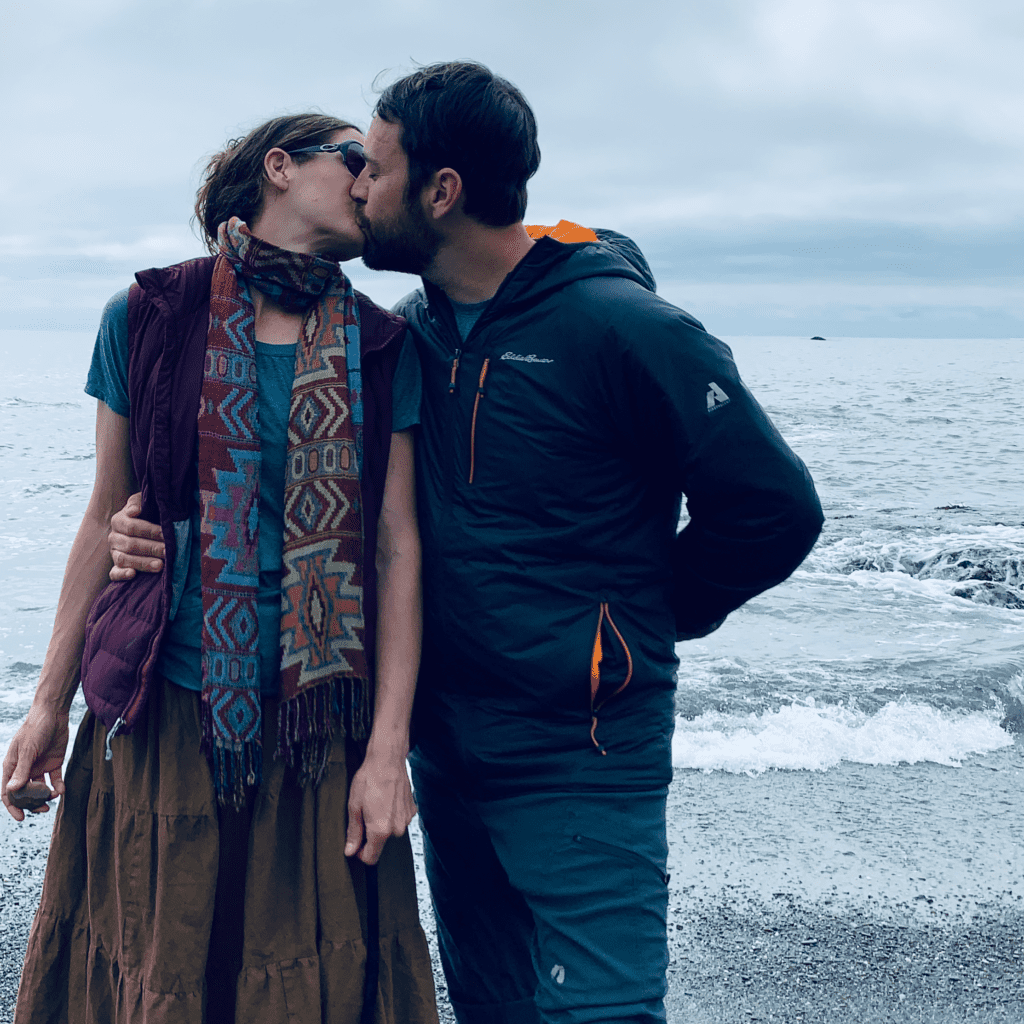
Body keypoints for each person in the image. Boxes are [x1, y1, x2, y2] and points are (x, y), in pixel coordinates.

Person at [103, 63, 825, 1024]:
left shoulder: (626, 328)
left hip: (581, 743)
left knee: (600, 1009)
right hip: (448, 741)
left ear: (440, 192)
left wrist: (631, 623)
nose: (360, 186)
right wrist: (139, 533)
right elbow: (342, 515)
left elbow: (776, 509)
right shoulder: (411, 338)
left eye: (377, 166)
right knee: (492, 1003)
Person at [1, 113, 438, 1024]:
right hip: (166, 705)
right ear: (278, 169)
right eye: (351, 161)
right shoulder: (150, 315)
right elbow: (103, 514)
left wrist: (389, 747)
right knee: (162, 966)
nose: (368, 182)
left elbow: (396, 546)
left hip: (317, 723)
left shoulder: (382, 344)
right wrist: (46, 703)